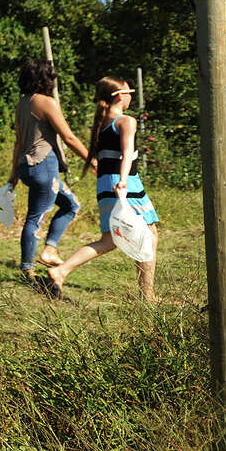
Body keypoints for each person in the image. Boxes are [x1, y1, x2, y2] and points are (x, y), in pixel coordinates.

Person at [47, 76, 159, 301]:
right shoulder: (126, 122)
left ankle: (61, 271)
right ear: (119, 96)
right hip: (125, 183)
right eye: (130, 92)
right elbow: (127, 154)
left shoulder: (103, 123)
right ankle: (147, 296)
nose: (131, 97)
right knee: (149, 234)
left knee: (109, 240)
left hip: (106, 184)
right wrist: (125, 181)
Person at [8, 59, 93, 278]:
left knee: (71, 204)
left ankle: (50, 249)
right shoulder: (46, 102)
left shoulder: (22, 104)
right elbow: (69, 136)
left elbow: (18, 142)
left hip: (28, 167)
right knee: (35, 218)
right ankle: (27, 269)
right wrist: (91, 160)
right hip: (44, 166)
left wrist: (14, 175)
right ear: (45, 79)